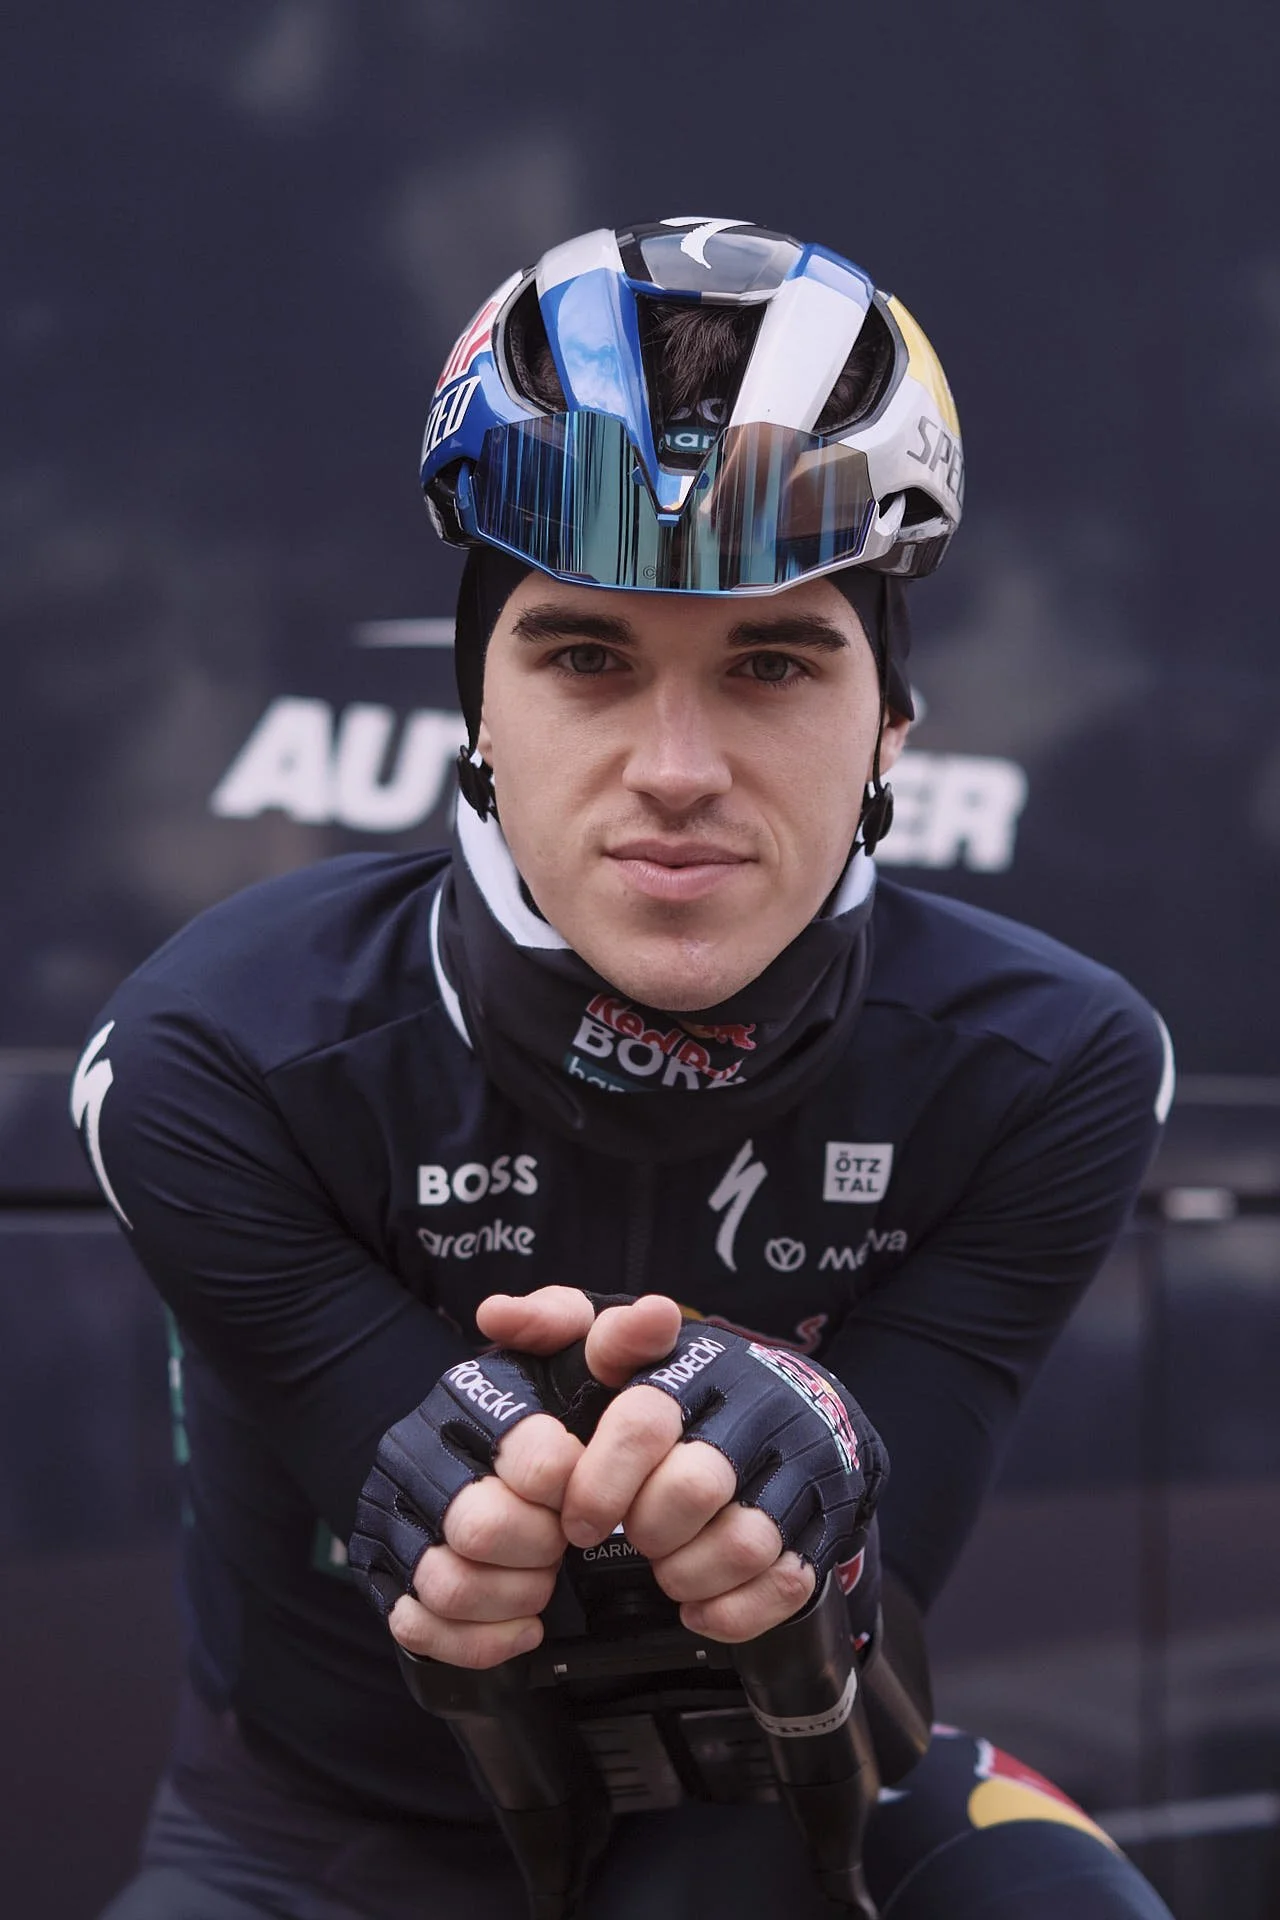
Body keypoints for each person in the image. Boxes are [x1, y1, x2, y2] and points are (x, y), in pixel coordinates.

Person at [73, 218, 1177, 1918]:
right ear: (476, 709)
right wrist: (484, 1500)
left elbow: (873, 1618)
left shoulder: (1054, 1066)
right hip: (313, 1848)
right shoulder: (210, 1055)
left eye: (773, 662)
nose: (676, 767)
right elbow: (450, 1550)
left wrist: (818, 1447)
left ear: (891, 726)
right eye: (586, 657)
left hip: (789, 1801)